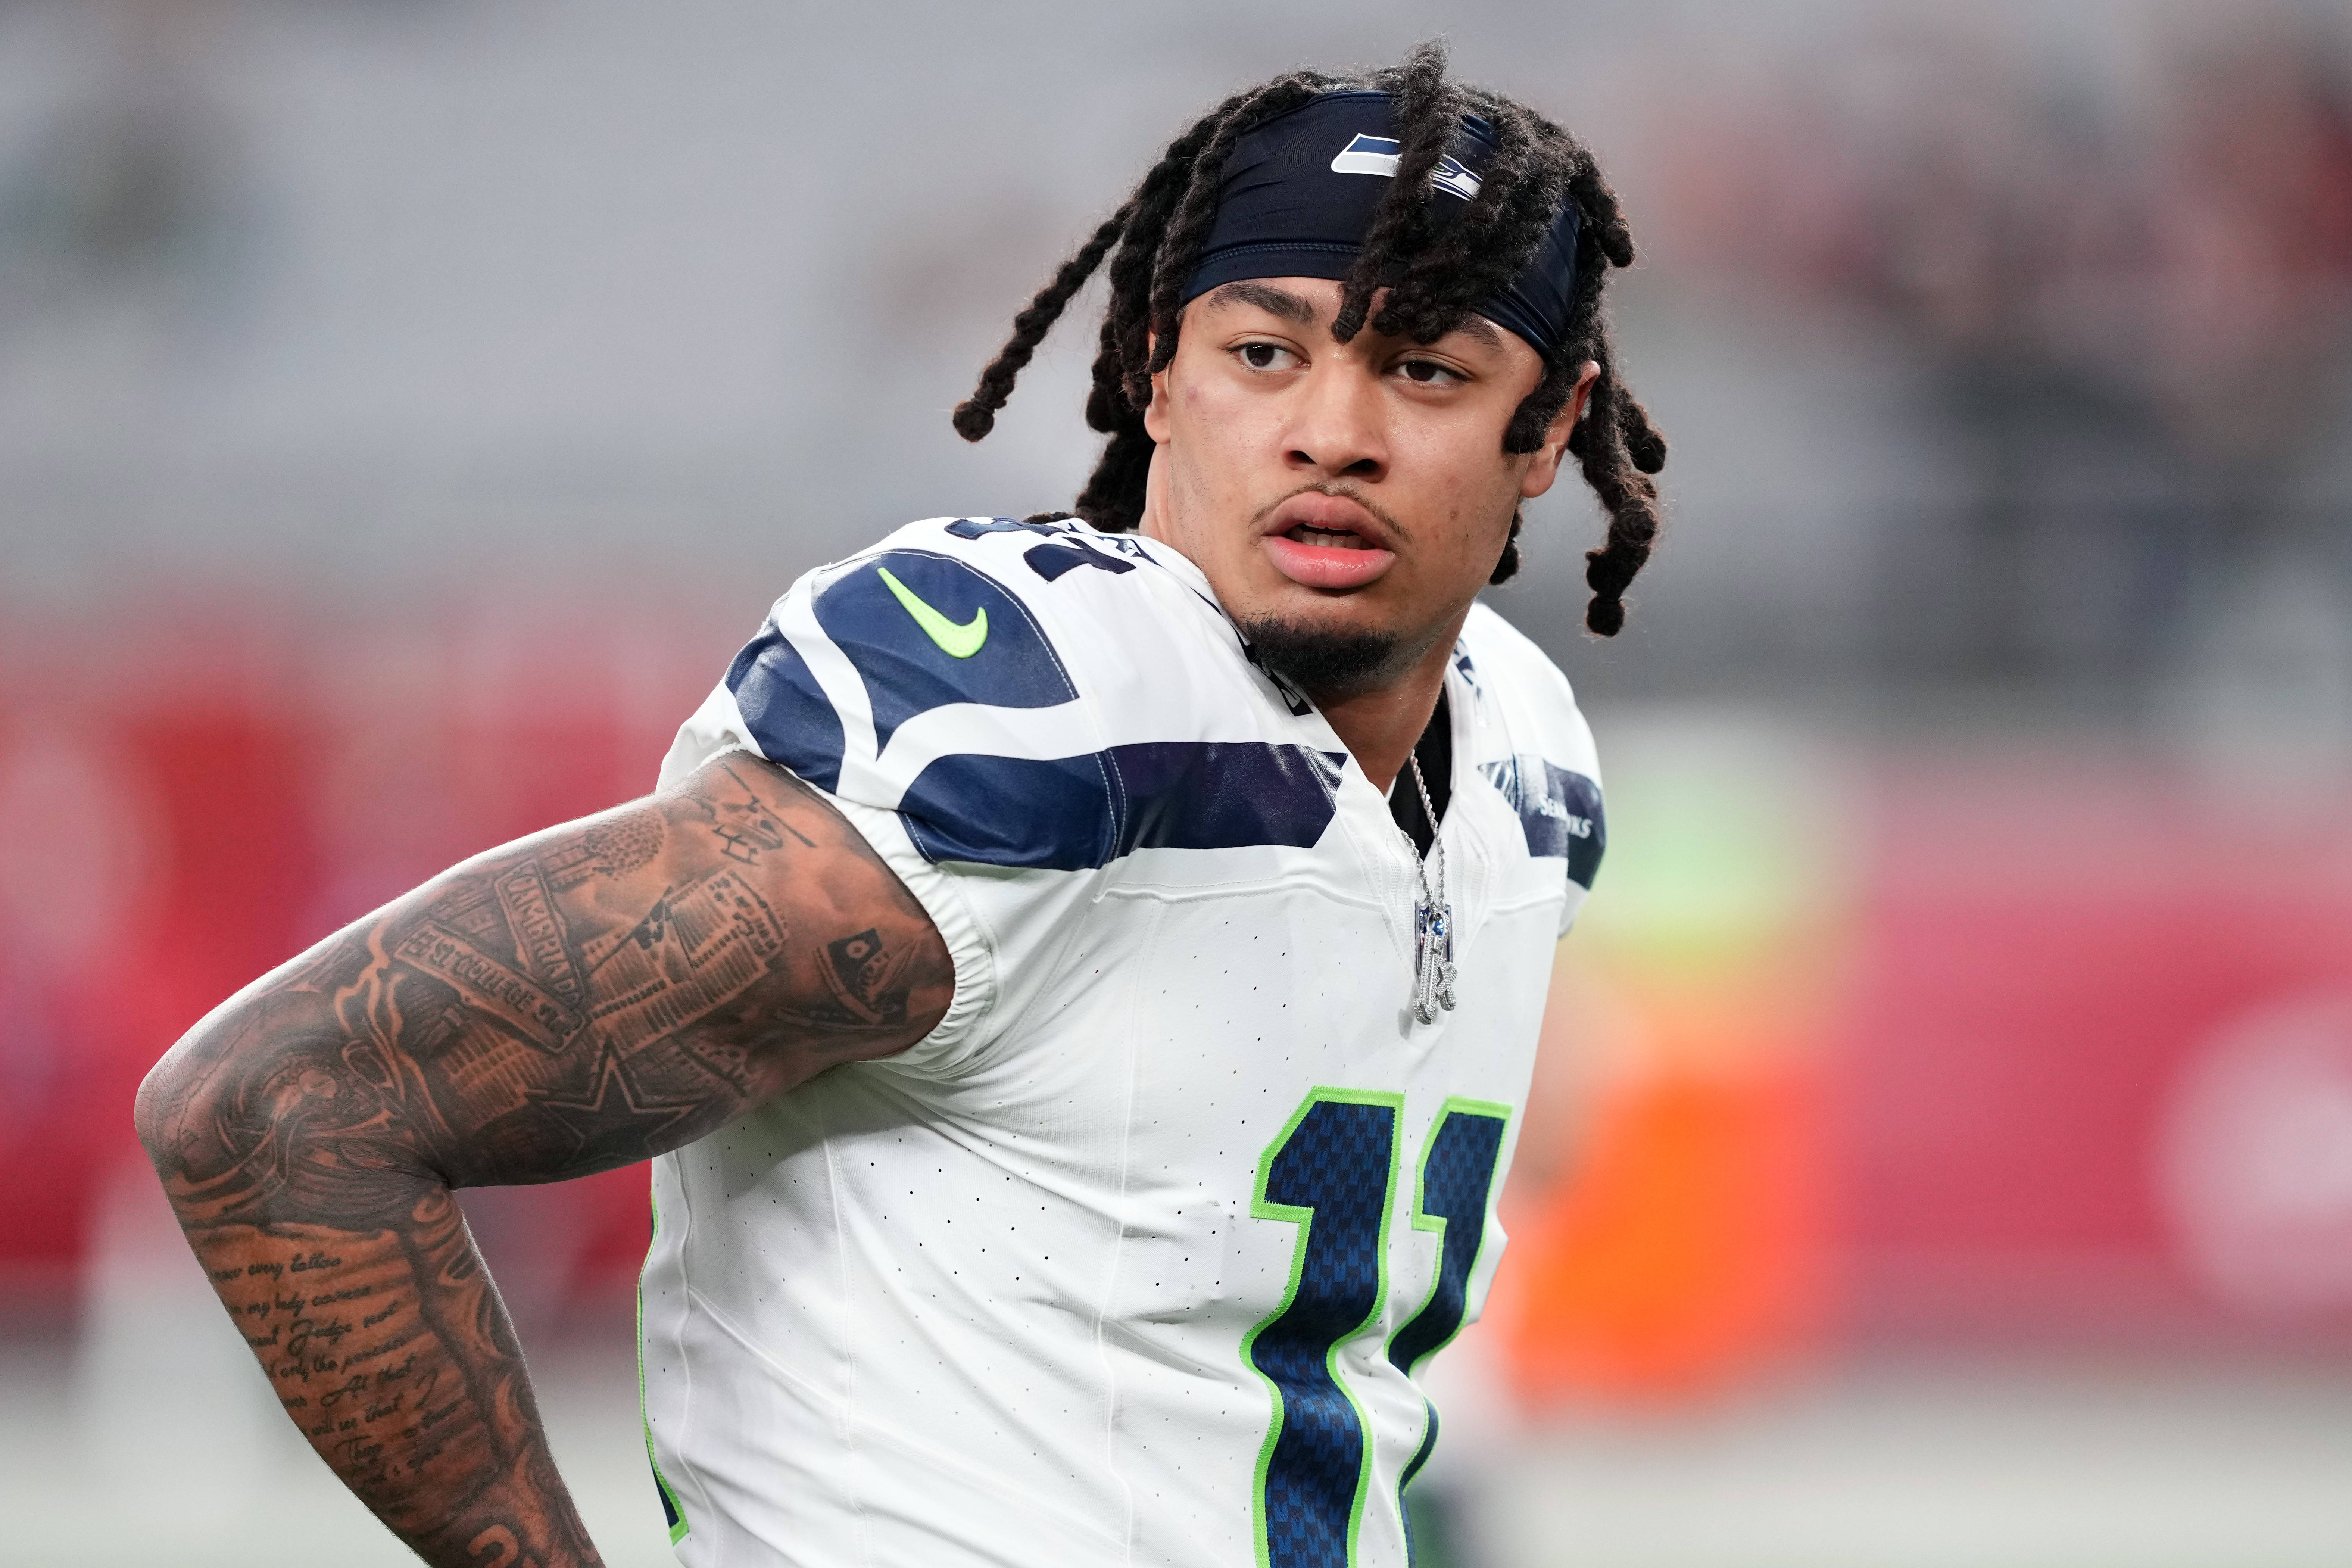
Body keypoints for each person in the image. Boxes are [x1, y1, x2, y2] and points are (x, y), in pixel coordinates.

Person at [135, 42, 1664, 1568]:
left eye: (1427, 369)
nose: (1333, 428)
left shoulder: (1521, 755)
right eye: (1264, 353)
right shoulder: (1039, 719)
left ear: (1548, 429)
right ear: (1156, 371)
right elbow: (278, 1104)